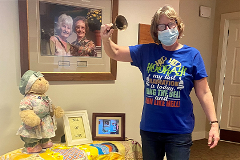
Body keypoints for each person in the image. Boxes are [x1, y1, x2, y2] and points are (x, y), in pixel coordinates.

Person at [100, 5, 220, 160]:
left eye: (171, 24)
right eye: (162, 26)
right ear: (156, 31)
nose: (167, 29)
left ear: (178, 26)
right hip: (150, 130)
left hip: (179, 130)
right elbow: (115, 52)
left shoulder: (192, 55)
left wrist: (214, 123)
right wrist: (105, 39)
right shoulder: (146, 51)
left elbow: (204, 92)